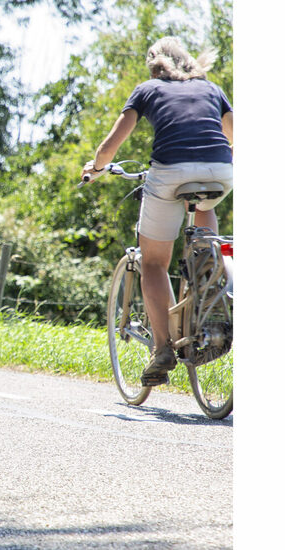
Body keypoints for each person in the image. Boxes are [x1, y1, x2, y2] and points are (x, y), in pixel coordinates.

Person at [81, 36, 232, 387]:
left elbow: (111, 144)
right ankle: (208, 283)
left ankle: (162, 348)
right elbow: (234, 135)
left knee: (153, 262)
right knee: (205, 211)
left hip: (169, 171)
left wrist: (97, 167)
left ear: (154, 64)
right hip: (220, 171)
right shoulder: (211, 88)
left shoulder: (146, 89)